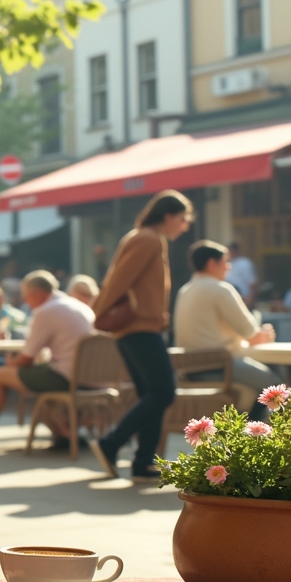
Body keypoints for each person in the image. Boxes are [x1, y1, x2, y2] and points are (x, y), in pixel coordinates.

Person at [89, 190, 194, 483]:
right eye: (183, 219)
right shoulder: (147, 239)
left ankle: (143, 462)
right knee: (163, 392)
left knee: (153, 395)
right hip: (139, 328)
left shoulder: (145, 238)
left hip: (137, 328)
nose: (184, 226)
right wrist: (99, 312)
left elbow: (116, 279)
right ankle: (112, 444)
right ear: (169, 215)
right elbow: (118, 280)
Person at [0, 271, 94, 453]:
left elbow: (26, 359)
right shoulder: (76, 306)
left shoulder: (46, 311)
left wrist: (10, 364)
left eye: (26, 297)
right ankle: (66, 435)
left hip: (69, 377)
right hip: (95, 377)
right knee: (39, 379)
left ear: (37, 294)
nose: (26, 302)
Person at [173, 240, 282, 422]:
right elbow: (252, 335)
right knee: (276, 388)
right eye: (225, 262)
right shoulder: (220, 289)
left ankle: (252, 432)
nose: (228, 267)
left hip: (188, 369)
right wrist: (267, 335)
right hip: (221, 366)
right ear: (212, 263)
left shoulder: (185, 290)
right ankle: (259, 436)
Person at [224, 242, 257, 307]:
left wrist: (248, 302)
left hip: (243, 299)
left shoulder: (245, 263)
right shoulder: (225, 264)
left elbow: (253, 284)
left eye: (231, 251)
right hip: (228, 300)